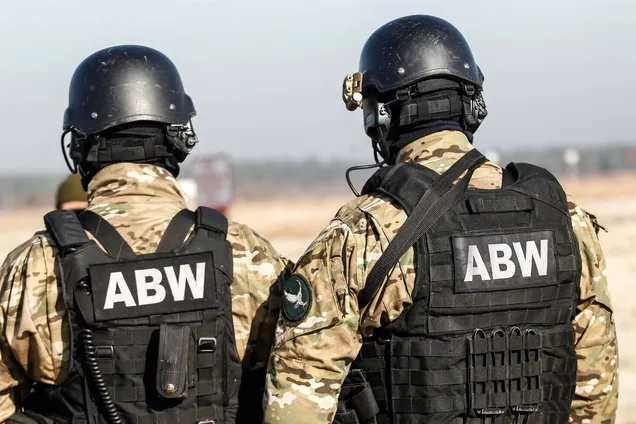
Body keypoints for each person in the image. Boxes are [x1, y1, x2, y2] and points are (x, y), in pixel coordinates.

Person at [263, 15, 618, 424]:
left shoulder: (365, 233)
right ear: (472, 105)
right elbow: (595, 392)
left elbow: (297, 403)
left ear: (380, 116)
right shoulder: (566, 220)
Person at [0, 45, 293, 424]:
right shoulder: (245, 253)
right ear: (177, 140)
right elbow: (302, 376)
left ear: (79, 146)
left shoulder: (36, 266)